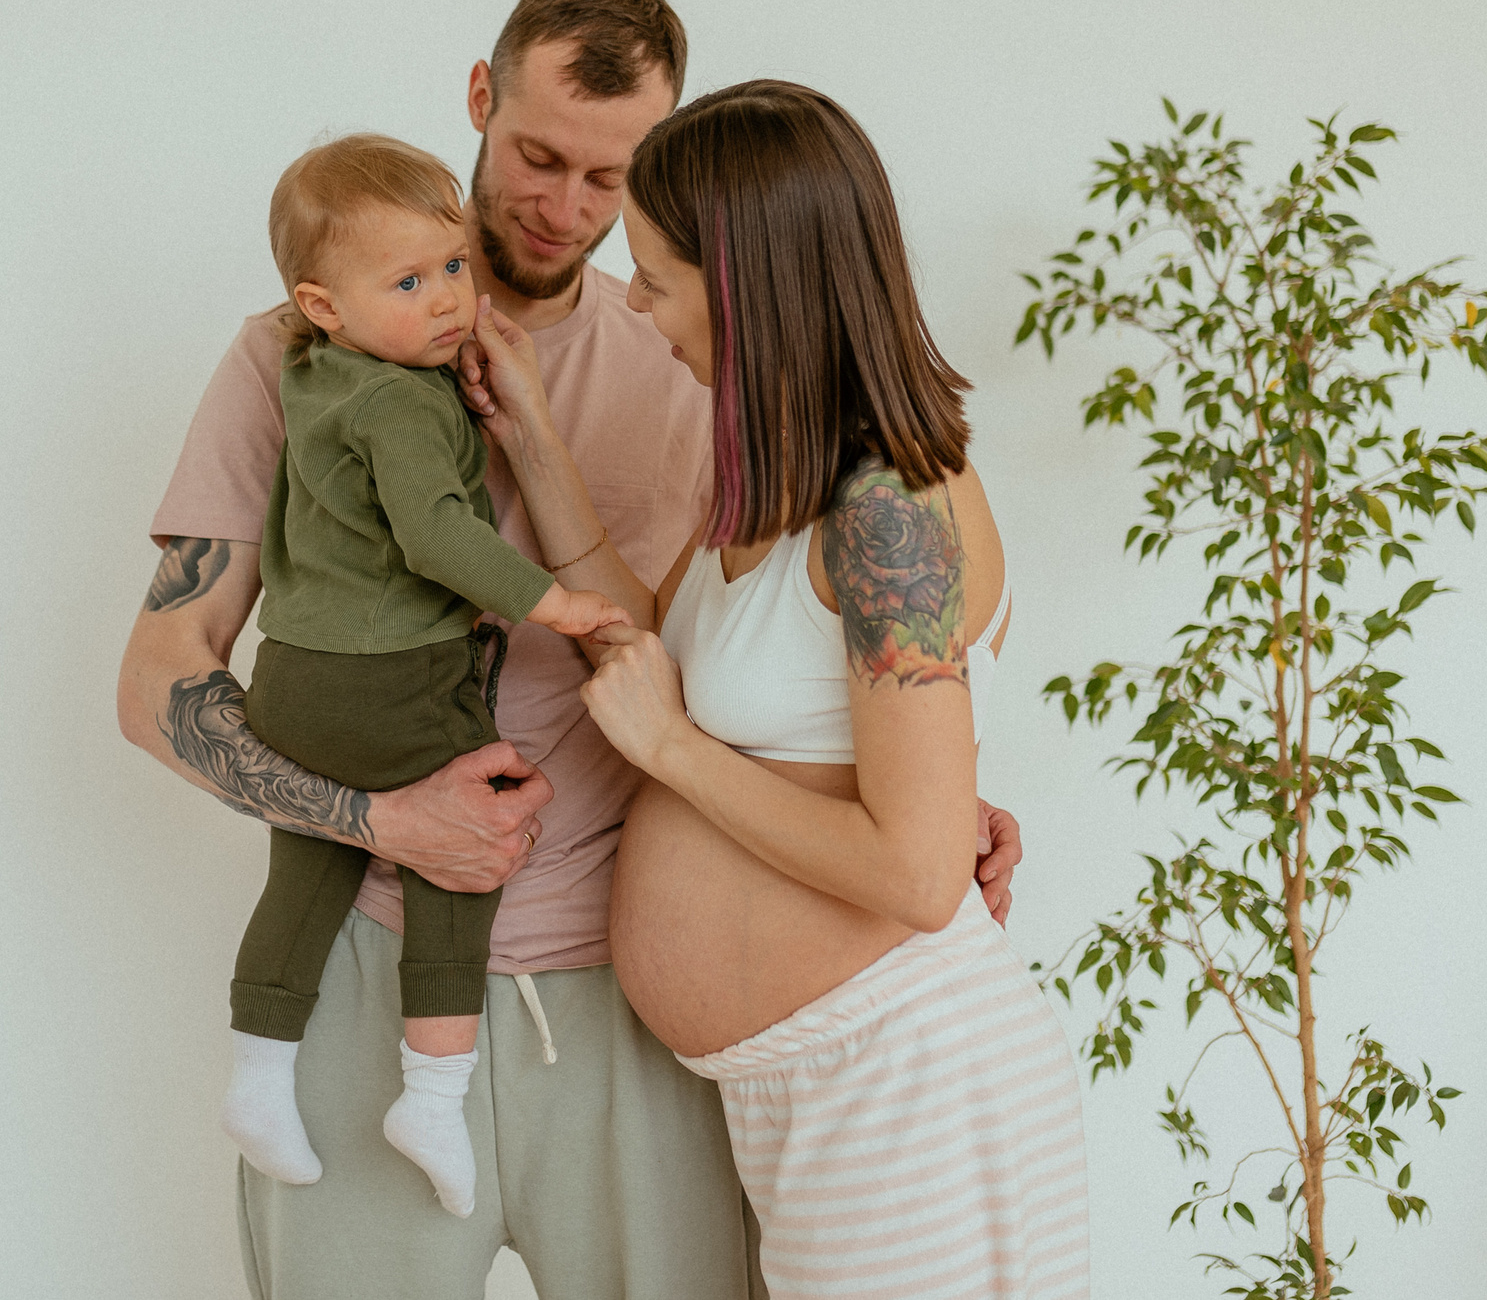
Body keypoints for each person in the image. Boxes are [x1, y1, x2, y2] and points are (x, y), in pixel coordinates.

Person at [115, 0, 1025, 1300]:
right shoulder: (296, 357)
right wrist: (380, 821)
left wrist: (910, 787)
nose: (567, 207)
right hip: (365, 974)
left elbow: (763, 659)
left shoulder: (699, 356)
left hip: (637, 1013)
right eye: (541, 157)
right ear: (479, 100)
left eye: (612, 180)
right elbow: (156, 680)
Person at [464, 80, 1091, 1299]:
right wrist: (533, 435)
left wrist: (671, 752)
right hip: (811, 1090)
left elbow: (917, 873)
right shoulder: (776, 475)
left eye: (655, 277)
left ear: (745, 285)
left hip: (909, 1087)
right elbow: (656, 655)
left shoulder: (887, 508)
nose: (632, 303)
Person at [217, 133, 628, 1218]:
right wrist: (552, 602)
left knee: (307, 867)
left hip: (293, 680)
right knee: (469, 839)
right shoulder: (399, 402)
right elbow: (437, 534)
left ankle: (258, 1074)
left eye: (452, 264)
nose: (448, 298)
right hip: (392, 680)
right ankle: (433, 1094)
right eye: (408, 283)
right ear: (322, 304)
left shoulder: (312, 371)